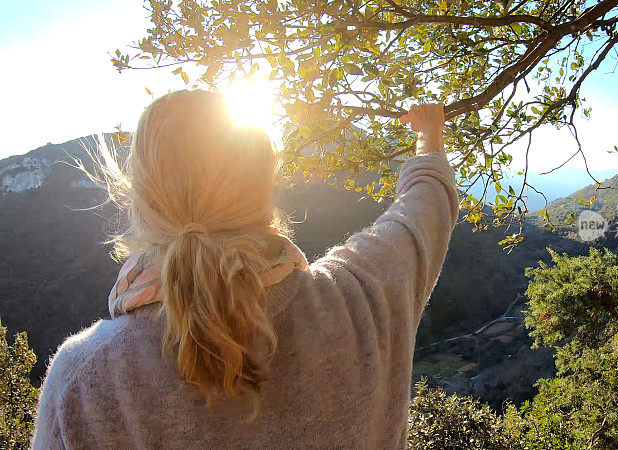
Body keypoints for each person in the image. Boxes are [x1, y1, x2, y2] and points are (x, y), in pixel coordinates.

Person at [31, 90, 458, 449]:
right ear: (266, 189)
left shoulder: (85, 382)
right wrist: (430, 137)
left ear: (143, 196)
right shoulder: (360, 299)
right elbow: (420, 212)